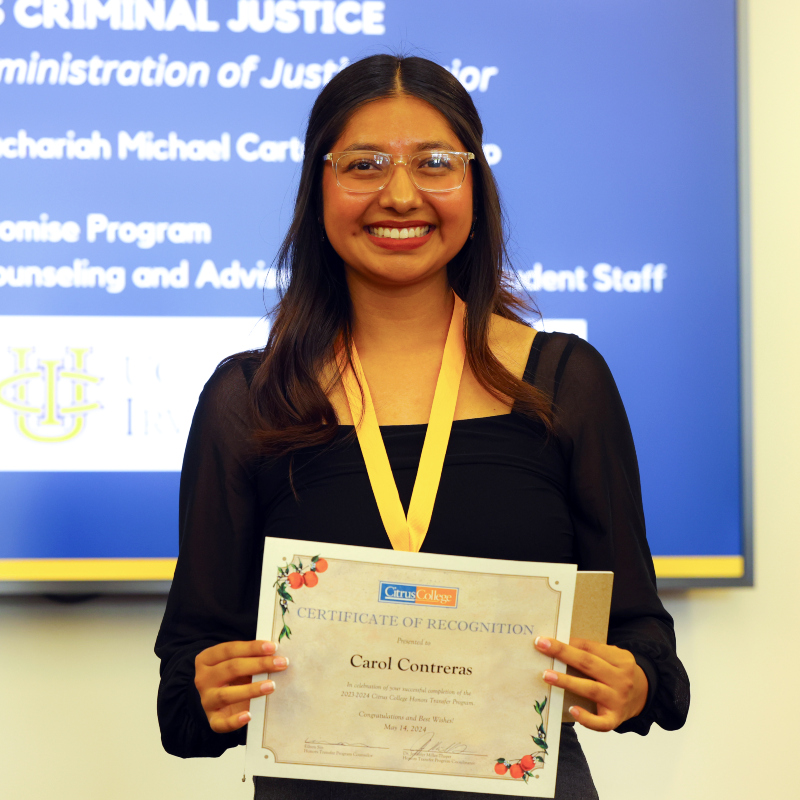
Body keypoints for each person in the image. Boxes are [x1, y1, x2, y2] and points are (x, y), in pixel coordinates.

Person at [155, 54, 689, 799]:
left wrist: (632, 683)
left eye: (435, 162)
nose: (400, 194)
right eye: (364, 164)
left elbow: (646, 645)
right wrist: (208, 690)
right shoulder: (249, 398)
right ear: (317, 190)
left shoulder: (565, 382)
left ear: (475, 185)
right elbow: (182, 697)